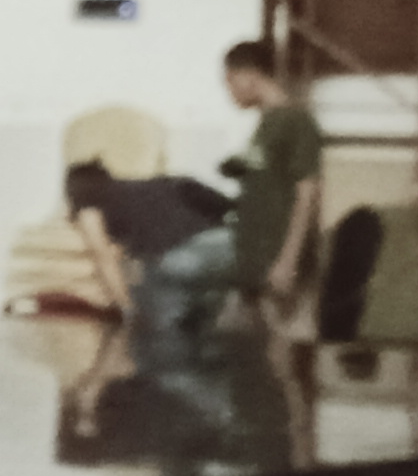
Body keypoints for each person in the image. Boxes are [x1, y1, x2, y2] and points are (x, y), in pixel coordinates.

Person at [216, 39, 325, 333]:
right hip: (256, 266)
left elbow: (308, 193)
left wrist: (289, 259)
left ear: (250, 75)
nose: (229, 90)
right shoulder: (266, 124)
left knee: (285, 350)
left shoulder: (296, 121)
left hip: (279, 266)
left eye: (230, 80)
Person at [65, 157, 233, 345]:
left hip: (179, 258)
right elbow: (227, 206)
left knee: (158, 319)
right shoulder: (161, 184)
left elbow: (102, 256)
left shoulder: (89, 201)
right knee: (200, 299)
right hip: (226, 246)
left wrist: (127, 309)